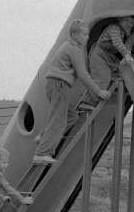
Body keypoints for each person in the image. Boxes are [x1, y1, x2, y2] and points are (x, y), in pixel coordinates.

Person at [33, 19, 111, 165]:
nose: (87, 37)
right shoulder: (73, 49)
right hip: (60, 85)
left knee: (71, 116)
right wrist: (97, 91)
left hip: (55, 84)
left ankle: (44, 137)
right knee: (58, 121)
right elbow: (82, 74)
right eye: (84, 34)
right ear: (75, 35)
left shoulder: (67, 45)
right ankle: (41, 153)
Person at [85, 16, 134, 103]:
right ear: (119, 20)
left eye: (132, 22)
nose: (129, 24)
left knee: (122, 70)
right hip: (100, 57)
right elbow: (118, 43)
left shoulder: (124, 32)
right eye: (126, 21)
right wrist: (127, 56)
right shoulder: (114, 28)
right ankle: (88, 102)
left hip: (110, 57)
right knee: (102, 79)